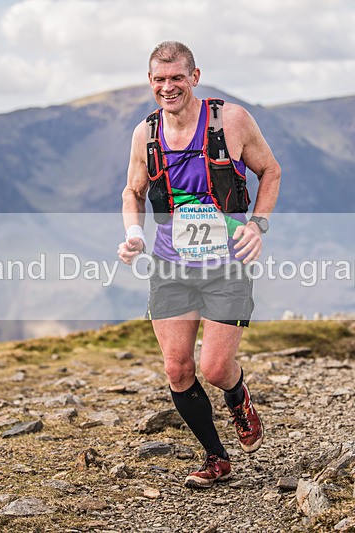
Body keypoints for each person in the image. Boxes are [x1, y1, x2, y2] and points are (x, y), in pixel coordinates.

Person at [117, 41, 281, 489]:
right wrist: (134, 235)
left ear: (194, 76)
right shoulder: (144, 134)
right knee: (177, 369)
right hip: (171, 265)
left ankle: (237, 395)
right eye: (159, 79)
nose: (168, 87)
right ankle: (215, 457)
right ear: (150, 82)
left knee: (214, 369)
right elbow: (132, 191)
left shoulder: (232, 120)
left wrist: (257, 225)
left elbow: (270, 170)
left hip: (228, 262)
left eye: (176, 78)